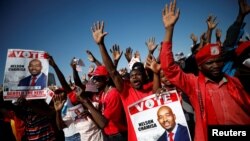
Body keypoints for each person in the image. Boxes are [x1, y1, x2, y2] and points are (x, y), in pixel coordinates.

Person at [160, 1, 250, 141]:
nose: (215, 65)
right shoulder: (193, 84)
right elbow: (169, 69)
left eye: (218, 61)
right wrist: (169, 29)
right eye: (209, 63)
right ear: (200, 66)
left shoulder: (236, 80)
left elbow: (230, 44)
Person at [91, 21, 153, 141]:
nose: (134, 77)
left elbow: (155, 72)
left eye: (138, 75)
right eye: (132, 75)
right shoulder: (126, 92)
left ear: (144, 76)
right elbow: (113, 73)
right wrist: (101, 45)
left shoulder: (152, 89)